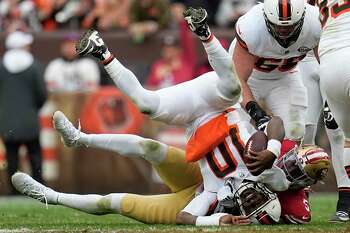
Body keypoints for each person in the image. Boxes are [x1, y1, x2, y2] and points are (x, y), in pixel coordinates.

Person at [230, 0, 321, 144]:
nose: (284, 31)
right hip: (250, 80)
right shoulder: (251, 27)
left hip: (285, 78)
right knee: (240, 135)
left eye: (290, 26)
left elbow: (325, 66)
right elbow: (237, 80)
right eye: (278, 26)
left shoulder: (316, 22)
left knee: (297, 134)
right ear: (266, 17)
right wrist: (256, 113)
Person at [0, 31, 47, 194]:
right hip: (30, 121)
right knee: (35, 157)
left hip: (6, 122)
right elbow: (41, 94)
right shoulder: (34, 66)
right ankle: (39, 189)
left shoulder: (1, 66)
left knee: (12, 159)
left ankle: (14, 191)